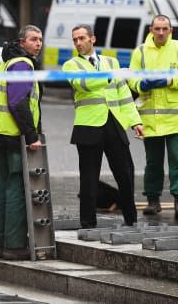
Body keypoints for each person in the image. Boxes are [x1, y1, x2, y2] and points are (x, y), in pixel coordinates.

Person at [62, 24, 144, 229]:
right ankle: (88, 223)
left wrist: (135, 121)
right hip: (88, 126)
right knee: (89, 178)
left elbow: (124, 95)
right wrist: (110, 75)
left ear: (93, 39)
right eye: (75, 40)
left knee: (125, 174)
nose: (78, 43)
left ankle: (131, 219)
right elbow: (84, 84)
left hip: (114, 123)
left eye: (81, 38)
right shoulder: (71, 65)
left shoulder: (111, 61)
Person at [0, 25, 44, 260]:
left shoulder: (8, 62)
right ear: (22, 42)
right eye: (33, 39)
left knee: (4, 186)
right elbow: (17, 102)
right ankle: (14, 246)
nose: (38, 43)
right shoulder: (22, 64)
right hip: (12, 134)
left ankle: (0, 244)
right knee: (17, 188)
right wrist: (32, 136)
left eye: (40, 39)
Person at [128, 14, 178, 219]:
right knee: (153, 162)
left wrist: (171, 80)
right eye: (157, 28)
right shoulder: (140, 52)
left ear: (171, 30)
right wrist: (139, 85)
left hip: (175, 119)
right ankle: (153, 200)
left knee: (176, 159)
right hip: (151, 119)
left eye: (165, 29)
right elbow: (131, 79)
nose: (161, 32)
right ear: (151, 29)